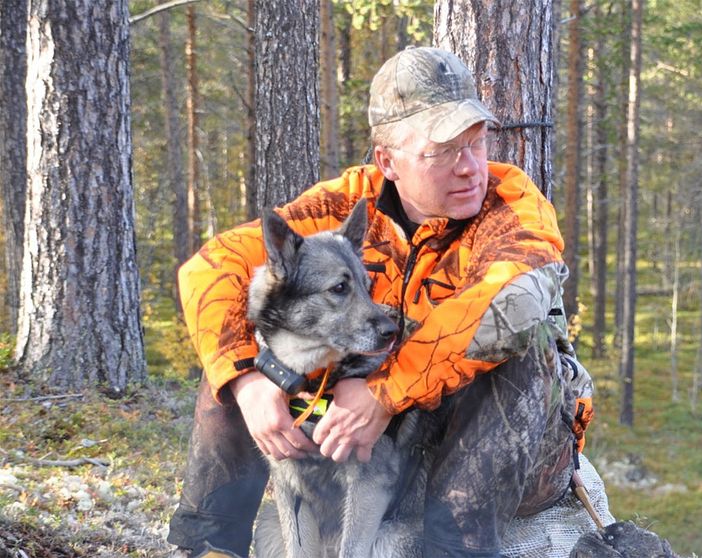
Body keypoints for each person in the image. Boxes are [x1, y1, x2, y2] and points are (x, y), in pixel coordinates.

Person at [167, 46, 595, 558]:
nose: (470, 168)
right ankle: (210, 545)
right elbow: (213, 266)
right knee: (241, 340)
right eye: (443, 151)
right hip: (379, 448)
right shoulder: (348, 203)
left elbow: (513, 302)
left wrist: (382, 394)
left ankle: (456, 549)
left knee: (523, 347)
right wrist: (248, 382)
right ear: (387, 160)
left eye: (477, 144)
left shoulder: (513, 209)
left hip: (503, 452)